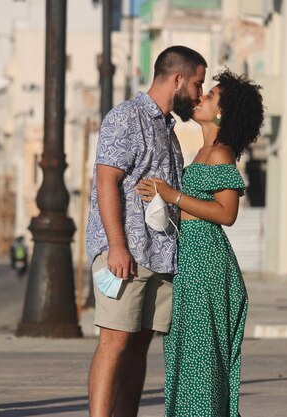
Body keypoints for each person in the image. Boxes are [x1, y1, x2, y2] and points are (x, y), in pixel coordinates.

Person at [85, 45, 207, 417]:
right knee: (115, 342)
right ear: (178, 79)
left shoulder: (168, 130)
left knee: (139, 346)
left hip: (161, 256)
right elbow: (106, 182)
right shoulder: (126, 117)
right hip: (127, 255)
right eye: (198, 84)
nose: (200, 94)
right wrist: (118, 247)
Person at [136, 69, 264, 416]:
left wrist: (172, 195)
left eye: (210, 96)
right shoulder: (202, 151)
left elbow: (226, 213)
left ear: (222, 112)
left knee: (201, 354)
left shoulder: (221, 153)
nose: (202, 97)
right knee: (184, 350)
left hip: (207, 260)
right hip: (189, 258)